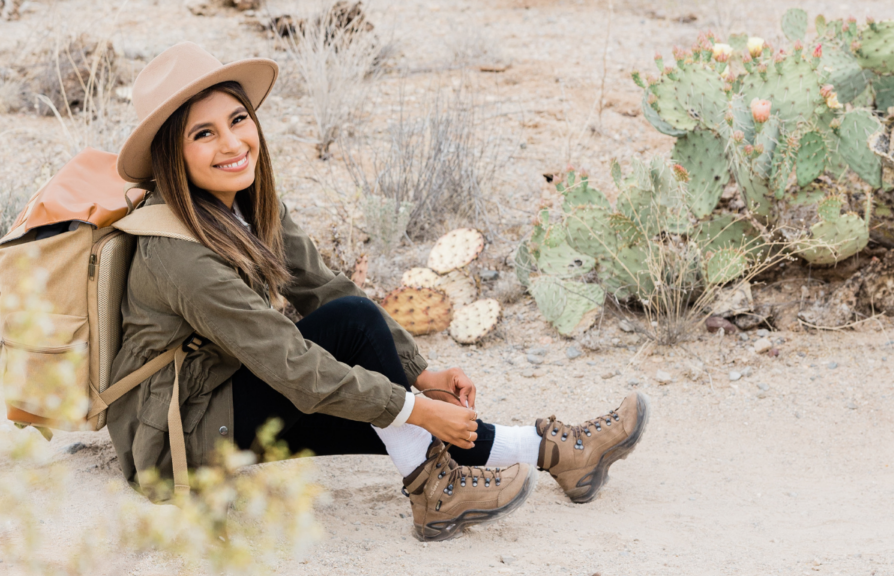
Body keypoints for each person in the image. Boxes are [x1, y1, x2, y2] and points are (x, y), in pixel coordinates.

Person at [107, 41, 650, 542]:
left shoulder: (242, 203)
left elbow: (321, 286)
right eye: (203, 134)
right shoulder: (177, 254)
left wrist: (417, 374)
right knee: (369, 359)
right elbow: (292, 362)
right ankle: (439, 492)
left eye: (237, 120)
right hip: (173, 444)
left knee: (387, 409)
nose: (232, 144)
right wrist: (416, 408)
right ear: (169, 157)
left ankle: (555, 455)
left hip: (221, 394)